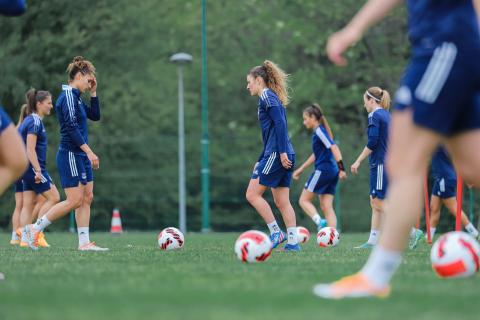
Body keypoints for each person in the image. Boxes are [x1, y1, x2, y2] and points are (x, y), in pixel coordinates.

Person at [314, 0, 480, 299]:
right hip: (452, 50)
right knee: (473, 168)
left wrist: (353, 30)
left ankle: (375, 277)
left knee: (403, 162)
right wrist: (353, 29)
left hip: (444, 49)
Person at [25, 56, 107, 251]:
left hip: (81, 155)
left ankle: (84, 243)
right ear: (79, 76)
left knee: (87, 198)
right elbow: (70, 128)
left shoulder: (77, 98)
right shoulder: (68, 97)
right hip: (71, 154)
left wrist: (94, 93)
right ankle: (34, 229)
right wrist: (89, 152)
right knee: (74, 200)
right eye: (89, 80)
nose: (90, 83)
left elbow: (95, 116)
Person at [245, 60, 300, 251]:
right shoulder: (270, 97)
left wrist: (282, 151)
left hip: (277, 154)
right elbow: (270, 135)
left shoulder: (267, 96)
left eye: (249, 81)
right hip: (279, 152)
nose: (248, 86)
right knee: (281, 201)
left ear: (259, 80)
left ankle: (276, 232)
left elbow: (281, 125)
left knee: (252, 194)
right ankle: (293, 243)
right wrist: (260, 159)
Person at [293, 103, 346, 230]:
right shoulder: (319, 132)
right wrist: (301, 169)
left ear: (313, 117)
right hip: (332, 171)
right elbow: (316, 155)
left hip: (323, 170)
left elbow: (334, 147)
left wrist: (342, 168)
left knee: (303, 200)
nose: (304, 122)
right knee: (326, 205)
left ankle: (320, 222)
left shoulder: (319, 131)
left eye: (305, 119)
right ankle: (333, 236)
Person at [17, 89, 60, 248]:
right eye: (49, 103)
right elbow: (30, 149)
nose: (51, 106)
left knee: (28, 203)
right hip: (33, 168)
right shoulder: (34, 121)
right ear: (39, 104)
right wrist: (38, 170)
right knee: (54, 197)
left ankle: (24, 239)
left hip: (24, 168)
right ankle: (36, 232)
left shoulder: (28, 120)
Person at [427, 146, 479, 239]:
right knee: (434, 207)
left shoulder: (441, 141)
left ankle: (474, 233)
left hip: (444, 178)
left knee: (454, 208)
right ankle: (429, 236)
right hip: (439, 178)